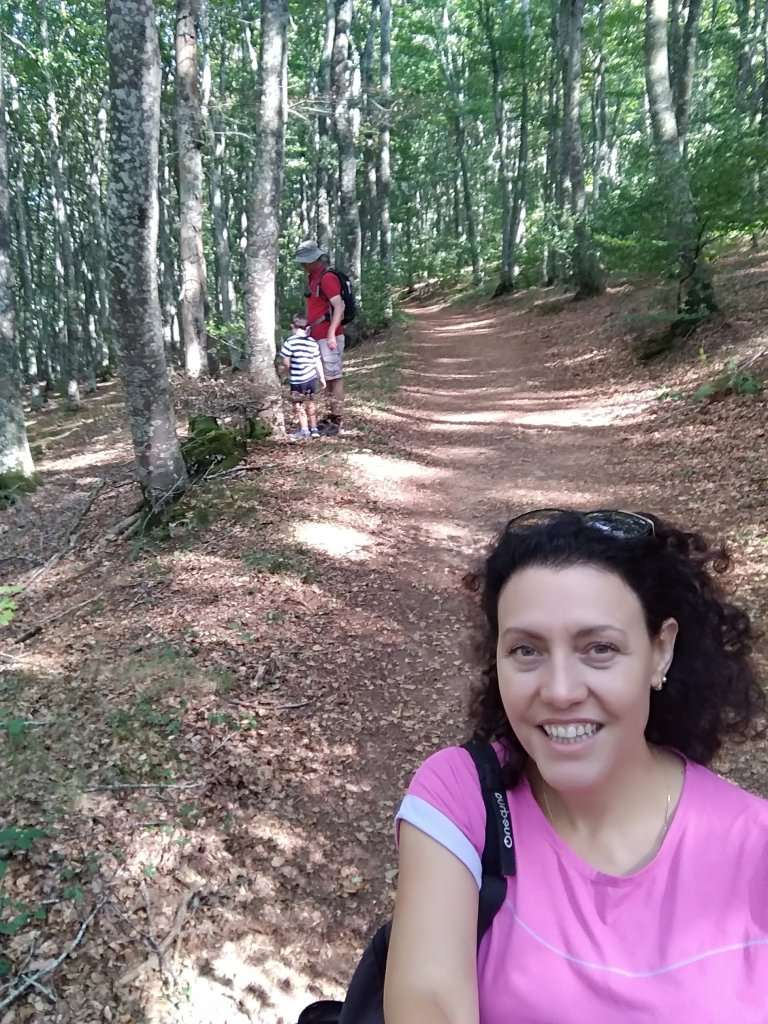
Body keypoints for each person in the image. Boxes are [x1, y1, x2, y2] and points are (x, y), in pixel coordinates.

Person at [384, 509, 768, 1023]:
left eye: (599, 649)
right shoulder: (464, 796)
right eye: (526, 650)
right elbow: (427, 1002)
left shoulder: (755, 845)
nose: (560, 691)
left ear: (660, 651)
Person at [296, 239, 345, 435]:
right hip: (318, 336)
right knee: (326, 378)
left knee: (335, 377)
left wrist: (331, 333)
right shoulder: (313, 278)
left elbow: (339, 306)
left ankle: (337, 420)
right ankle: (331, 416)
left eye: (305, 261)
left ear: (314, 259)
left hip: (328, 337)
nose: (302, 265)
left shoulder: (327, 278)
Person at [279, 314, 325, 441]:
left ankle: (304, 430)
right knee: (310, 402)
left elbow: (286, 362)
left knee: (298, 404)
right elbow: (317, 361)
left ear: (292, 326)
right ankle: (314, 429)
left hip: (297, 379)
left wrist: (286, 371)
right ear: (307, 327)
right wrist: (322, 377)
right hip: (311, 378)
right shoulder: (312, 342)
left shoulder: (290, 342)